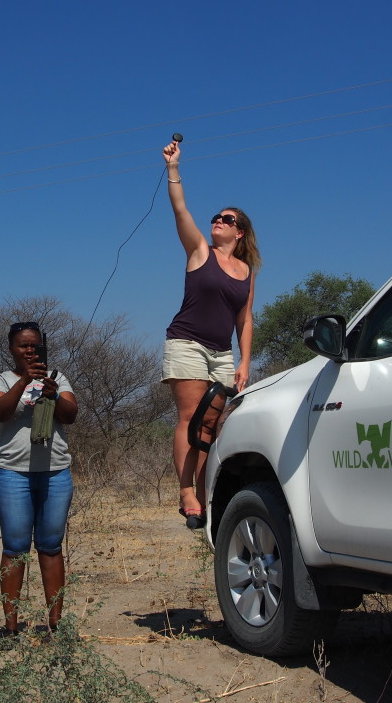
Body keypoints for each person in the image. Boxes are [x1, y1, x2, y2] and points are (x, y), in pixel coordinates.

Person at [161, 139, 260, 529]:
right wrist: (173, 168)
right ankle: (188, 492)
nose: (218, 220)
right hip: (186, 342)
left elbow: (246, 320)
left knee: (213, 424)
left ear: (240, 233)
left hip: (222, 353)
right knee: (190, 416)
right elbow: (180, 207)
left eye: (228, 219)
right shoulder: (199, 250)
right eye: (217, 216)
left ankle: (206, 491)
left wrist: (245, 361)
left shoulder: (248, 273)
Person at [0, 321, 78, 635]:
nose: (29, 350)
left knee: (51, 546)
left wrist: (54, 394)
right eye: (23, 345)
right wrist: (24, 381)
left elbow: (71, 415)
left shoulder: (57, 377)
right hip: (14, 475)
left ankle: (55, 624)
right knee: (15, 548)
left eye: (34, 346)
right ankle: (11, 627)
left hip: (55, 473)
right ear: (11, 349)